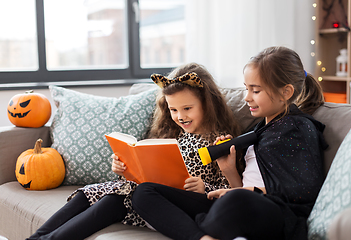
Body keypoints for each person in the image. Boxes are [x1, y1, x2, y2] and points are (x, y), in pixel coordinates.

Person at [26, 62, 241, 240]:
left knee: (114, 200)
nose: (180, 116)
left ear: (208, 104)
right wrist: (125, 168)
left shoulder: (219, 140)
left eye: (187, 108)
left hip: (174, 203)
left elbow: (234, 193)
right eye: (173, 110)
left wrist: (204, 187)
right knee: (90, 193)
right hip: (147, 191)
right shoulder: (172, 134)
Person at [132, 46, 328, 240]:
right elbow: (242, 187)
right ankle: (203, 237)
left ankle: (204, 225)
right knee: (144, 192)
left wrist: (245, 192)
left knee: (237, 199)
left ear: (286, 92)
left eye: (256, 90)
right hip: (241, 205)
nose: (246, 97)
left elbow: (304, 191)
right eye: (246, 88)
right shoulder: (258, 130)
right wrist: (229, 170)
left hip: (276, 213)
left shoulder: (298, 127)